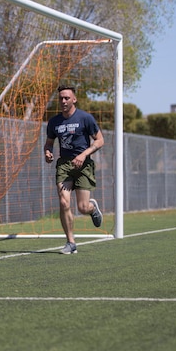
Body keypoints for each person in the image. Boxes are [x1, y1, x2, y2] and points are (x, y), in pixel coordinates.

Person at [43, 85, 104, 254]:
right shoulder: (54, 122)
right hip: (64, 165)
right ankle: (71, 242)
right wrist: (47, 152)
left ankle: (92, 208)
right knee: (63, 202)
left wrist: (84, 154)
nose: (63, 101)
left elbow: (99, 141)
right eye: (61, 98)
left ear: (74, 99)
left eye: (67, 98)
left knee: (82, 207)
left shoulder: (85, 118)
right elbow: (49, 143)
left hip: (83, 165)